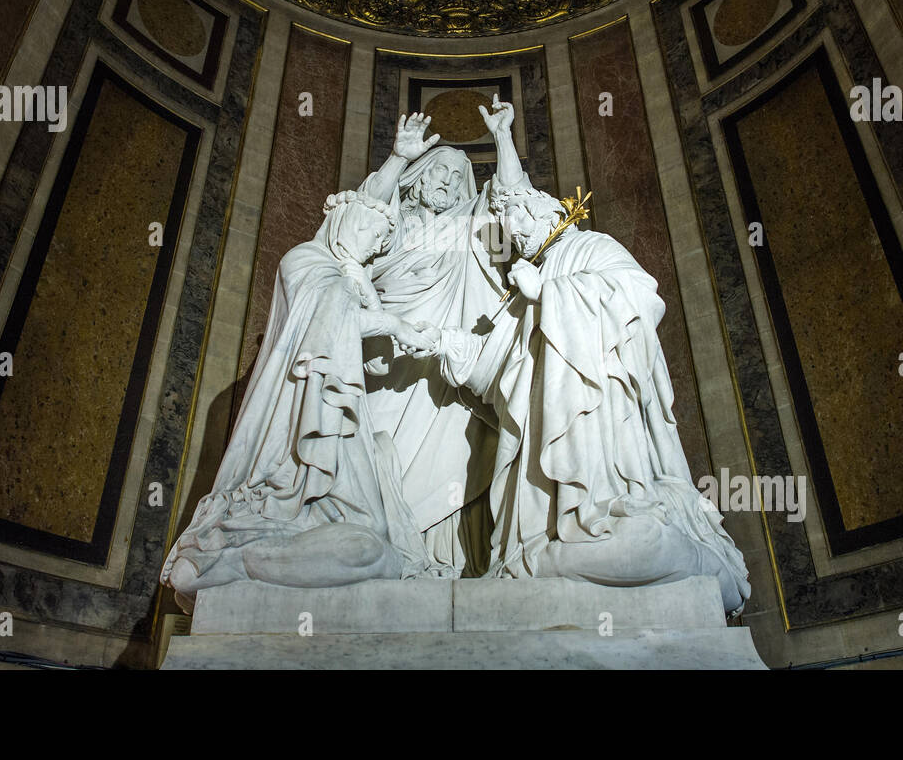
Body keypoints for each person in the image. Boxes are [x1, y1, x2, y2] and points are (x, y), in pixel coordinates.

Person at [403, 176, 752, 613]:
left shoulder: (593, 248)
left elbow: (641, 298)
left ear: (549, 213)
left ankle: (592, 527)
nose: (518, 237)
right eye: (511, 233)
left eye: (522, 222)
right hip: (541, 433)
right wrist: (441, 342)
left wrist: (549, 293)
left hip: (601, 415)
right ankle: (547, 547)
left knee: (638, 537)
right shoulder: (530, 276)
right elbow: (499, 365)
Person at [161, 190, 433, 606]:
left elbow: (377, 363)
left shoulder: (347, 277)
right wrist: (393, 321)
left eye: (381, 245)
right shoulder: (305, 261)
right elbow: (325, 324)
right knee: (374, 548)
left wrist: (369, 293)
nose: (374, 249)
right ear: (347, 224)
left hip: (338, 418)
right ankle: (230, 562)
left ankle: (236, 561)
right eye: (372, 236)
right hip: (303, 425)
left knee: (376, 543)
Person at [354, 101, 520, 574]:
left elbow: (511, 197)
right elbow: (360, 217)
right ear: (421, 174)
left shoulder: (470, 222)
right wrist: (398, 158)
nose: (447, 179)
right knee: (382, 455)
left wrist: (503, 138)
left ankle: (438, 559)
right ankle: (380, 548)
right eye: (439, 169)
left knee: (449, 458)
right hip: (385, 356)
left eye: (457, 174)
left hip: (446, 369)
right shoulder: (397, 219)